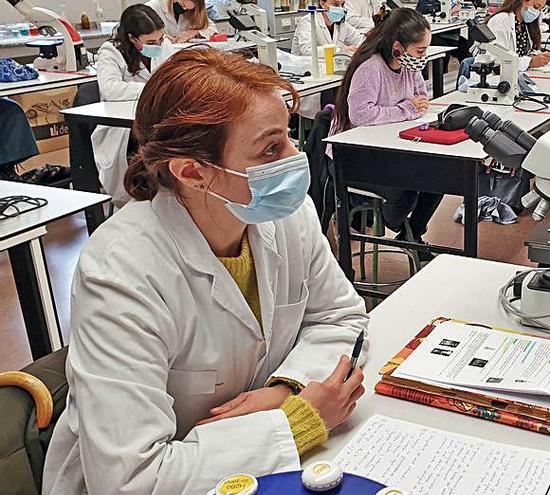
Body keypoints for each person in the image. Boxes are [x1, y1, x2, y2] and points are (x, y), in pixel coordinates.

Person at [42, 48, 368, 493]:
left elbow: (341, 317)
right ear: (194, 172)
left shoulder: (287, 215)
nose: (296, 158)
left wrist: (285, 389)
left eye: (289, 137)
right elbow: (130, 479)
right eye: (271, 147)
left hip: (246, 466)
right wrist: (300, 421)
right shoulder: (120, 271)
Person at [330, 8, 442, 256]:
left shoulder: (409, 66)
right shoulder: (371, 69)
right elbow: (360, 115)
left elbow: (421, 95)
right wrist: (406, 110)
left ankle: (410, 232)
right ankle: (399, 225)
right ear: (397, 47)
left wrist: (417, 104)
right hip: (354, 157)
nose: (423, 57)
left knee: (441, 175)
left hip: (389, 148)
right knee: (406, 188)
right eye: (420, 51)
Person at [92, 4, 166, 208]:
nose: (158, 45)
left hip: (153, 115)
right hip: (122, 129)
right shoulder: (110, 52)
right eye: (151, 42)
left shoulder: (161, 47)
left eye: (161, 39)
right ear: (132, 38)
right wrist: (151, 88)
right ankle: (146, 196)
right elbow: (110, 89)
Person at [481, 0, 550, 70]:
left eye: (540, 9)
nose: (537, 12)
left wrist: (536, 56)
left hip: (518, 74)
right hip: (496, 77)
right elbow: (496, 59)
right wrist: (530, 62)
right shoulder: (501, 20)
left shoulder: (525, 24)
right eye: (535, 7)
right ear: (523, 1)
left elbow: (526, 52)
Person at [292, 0, 365, 57]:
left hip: (328, 67)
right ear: (322, 3)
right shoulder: (309, 21)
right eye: (335, 4)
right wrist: (340, 50)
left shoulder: (341, 24)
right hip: (304, 69)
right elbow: (307, 50)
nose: (340, 8)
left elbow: (360, 39)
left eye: (342, 4)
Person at [145, 0, 217, 42]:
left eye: (189, 9)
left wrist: (194, 32)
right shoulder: (152, 7)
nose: (184, 10)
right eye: (182, 5)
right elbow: (143, 35)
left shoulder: (191, 12)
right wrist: (164, 38)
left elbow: (212, 28)